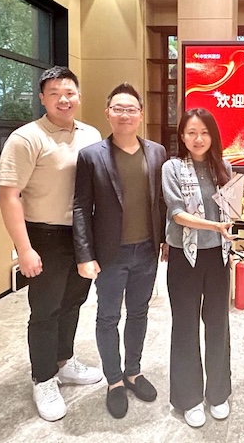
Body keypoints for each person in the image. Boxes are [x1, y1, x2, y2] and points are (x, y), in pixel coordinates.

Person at [0, 66, 103, 422]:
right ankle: (43, 378)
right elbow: (9, 196)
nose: (63, 99)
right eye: (54, 93)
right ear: (42, 98)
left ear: (79, 96)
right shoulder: (27, 138)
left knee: (74, 301)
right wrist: (24, 249)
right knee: (45, 309)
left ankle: (64, 361)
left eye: (69, 92)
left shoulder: (90, 134)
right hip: (44, 235)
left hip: (82, 234)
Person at [72, 83, 167, 418]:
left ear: (140, 115)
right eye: (118, 109)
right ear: (108, 113)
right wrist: (85, 254)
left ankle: (133, 372)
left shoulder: (157, 153)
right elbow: (81, 207)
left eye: (131, 109)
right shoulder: (91, 155)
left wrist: (165, 240)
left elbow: (162, 201)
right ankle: (113, 380)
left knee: (139, 313)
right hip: (110, 254)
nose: (125, 115)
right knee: (108, 316)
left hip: (146, 251)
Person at [161, 107, 235, 428]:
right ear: (182, 136)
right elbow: (177, 214)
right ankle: (188, 398)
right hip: (184, 257)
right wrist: (215, 226)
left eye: (204, 133)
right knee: (185, 326)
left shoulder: (225, 167)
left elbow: (233, 211)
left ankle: (218, 394)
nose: (198, 138)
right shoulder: (172, 168)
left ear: (213, 136)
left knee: (218, 324)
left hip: (218, 257)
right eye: (192, 132)